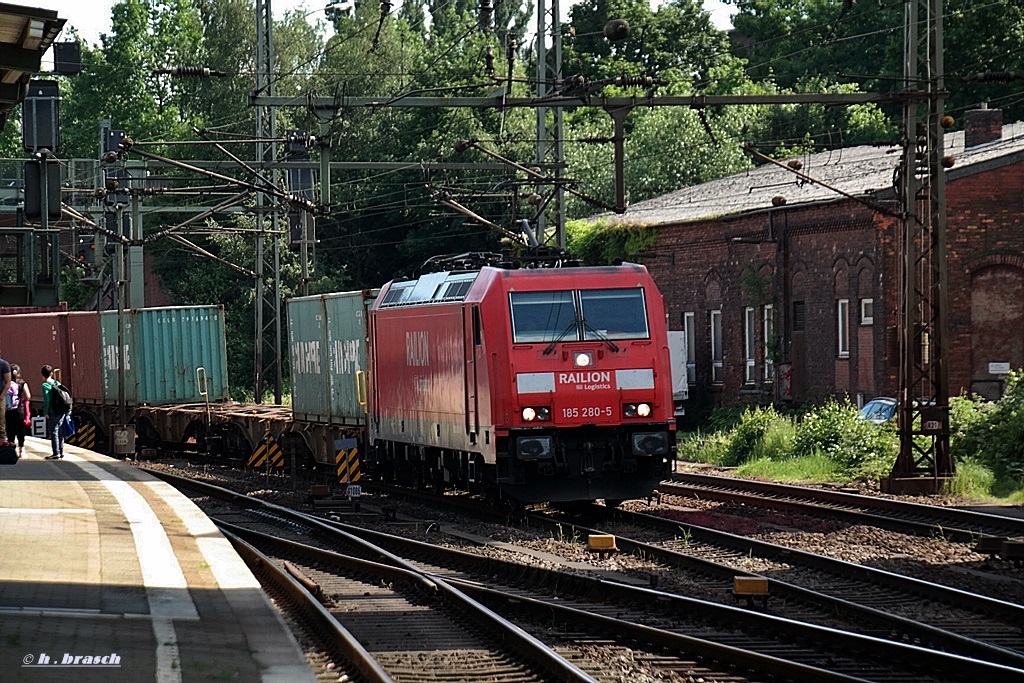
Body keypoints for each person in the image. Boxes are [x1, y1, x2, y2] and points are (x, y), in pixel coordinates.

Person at [41, 365, 68, 460]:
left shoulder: (45, 385)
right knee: (60, 431)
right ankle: (61, 452)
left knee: (54, 431)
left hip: (53, 411)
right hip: (61, 410)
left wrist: (46, 412)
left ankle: (56, 453)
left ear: (42, 375)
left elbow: (47, 400)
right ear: (51, 373)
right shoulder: (57, 382)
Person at [5, 364, 30, 458]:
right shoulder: (22, 383)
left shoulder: (5, 383)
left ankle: (11, 450)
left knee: (10, 430)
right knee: (20, 430)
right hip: (19, 410)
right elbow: (28, 396)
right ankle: (21, 450)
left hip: (8, 410)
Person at [0, 357, 9, 444]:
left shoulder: (3, 364)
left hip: (0, 397)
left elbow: (8, 382)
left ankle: (3, 442)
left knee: (1, 422)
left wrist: (2, 396)